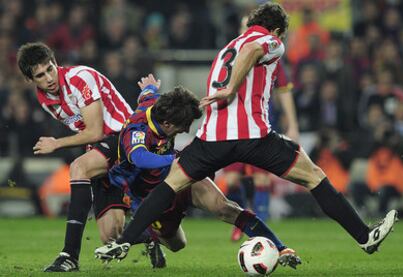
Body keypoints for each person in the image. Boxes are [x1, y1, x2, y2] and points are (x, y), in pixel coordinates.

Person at [95, 2, 398, 262]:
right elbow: (254, 50)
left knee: (170, 185)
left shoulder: (227, 47)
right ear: (277, 30)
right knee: (313, 176)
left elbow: (242, 56)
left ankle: (124, 241)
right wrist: (231, 89)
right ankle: (363, 236)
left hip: (211, 139)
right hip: (253, 137)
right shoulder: (270, 40)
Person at [97, 74, 301, 268]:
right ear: (166, 123)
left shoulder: (158, 104)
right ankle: (150, 239)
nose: (185, 131)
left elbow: (147, 96)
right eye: (182, 126)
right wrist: (173, 158)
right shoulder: (137, 130)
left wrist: (149, 88)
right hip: (148, 193)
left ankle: (282, 248)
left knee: (224, 207)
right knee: (177, 244)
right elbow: (139, 157)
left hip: (177, 176)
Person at [16, 42, 160, 272]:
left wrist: (56, 144)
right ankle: (150, 234)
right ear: (31, 80)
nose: (48, 78)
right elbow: (88, 133)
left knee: (78, 168)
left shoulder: (80, 78)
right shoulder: (45, 99)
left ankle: (69, 255)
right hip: (101, 145)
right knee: (110, 236)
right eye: (40, 75)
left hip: (124, 136)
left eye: (50, 68)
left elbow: (94, 131)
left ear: (55, 62)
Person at [225, 13, 299, 242]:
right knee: (230, 180)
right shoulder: (231, 53)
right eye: (242, 25)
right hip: (232, 124)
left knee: (261, 179)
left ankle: (261, 232)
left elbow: (283, 89)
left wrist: (293, 124)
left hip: (260, 123)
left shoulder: (269, 52)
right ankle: (245, 220)